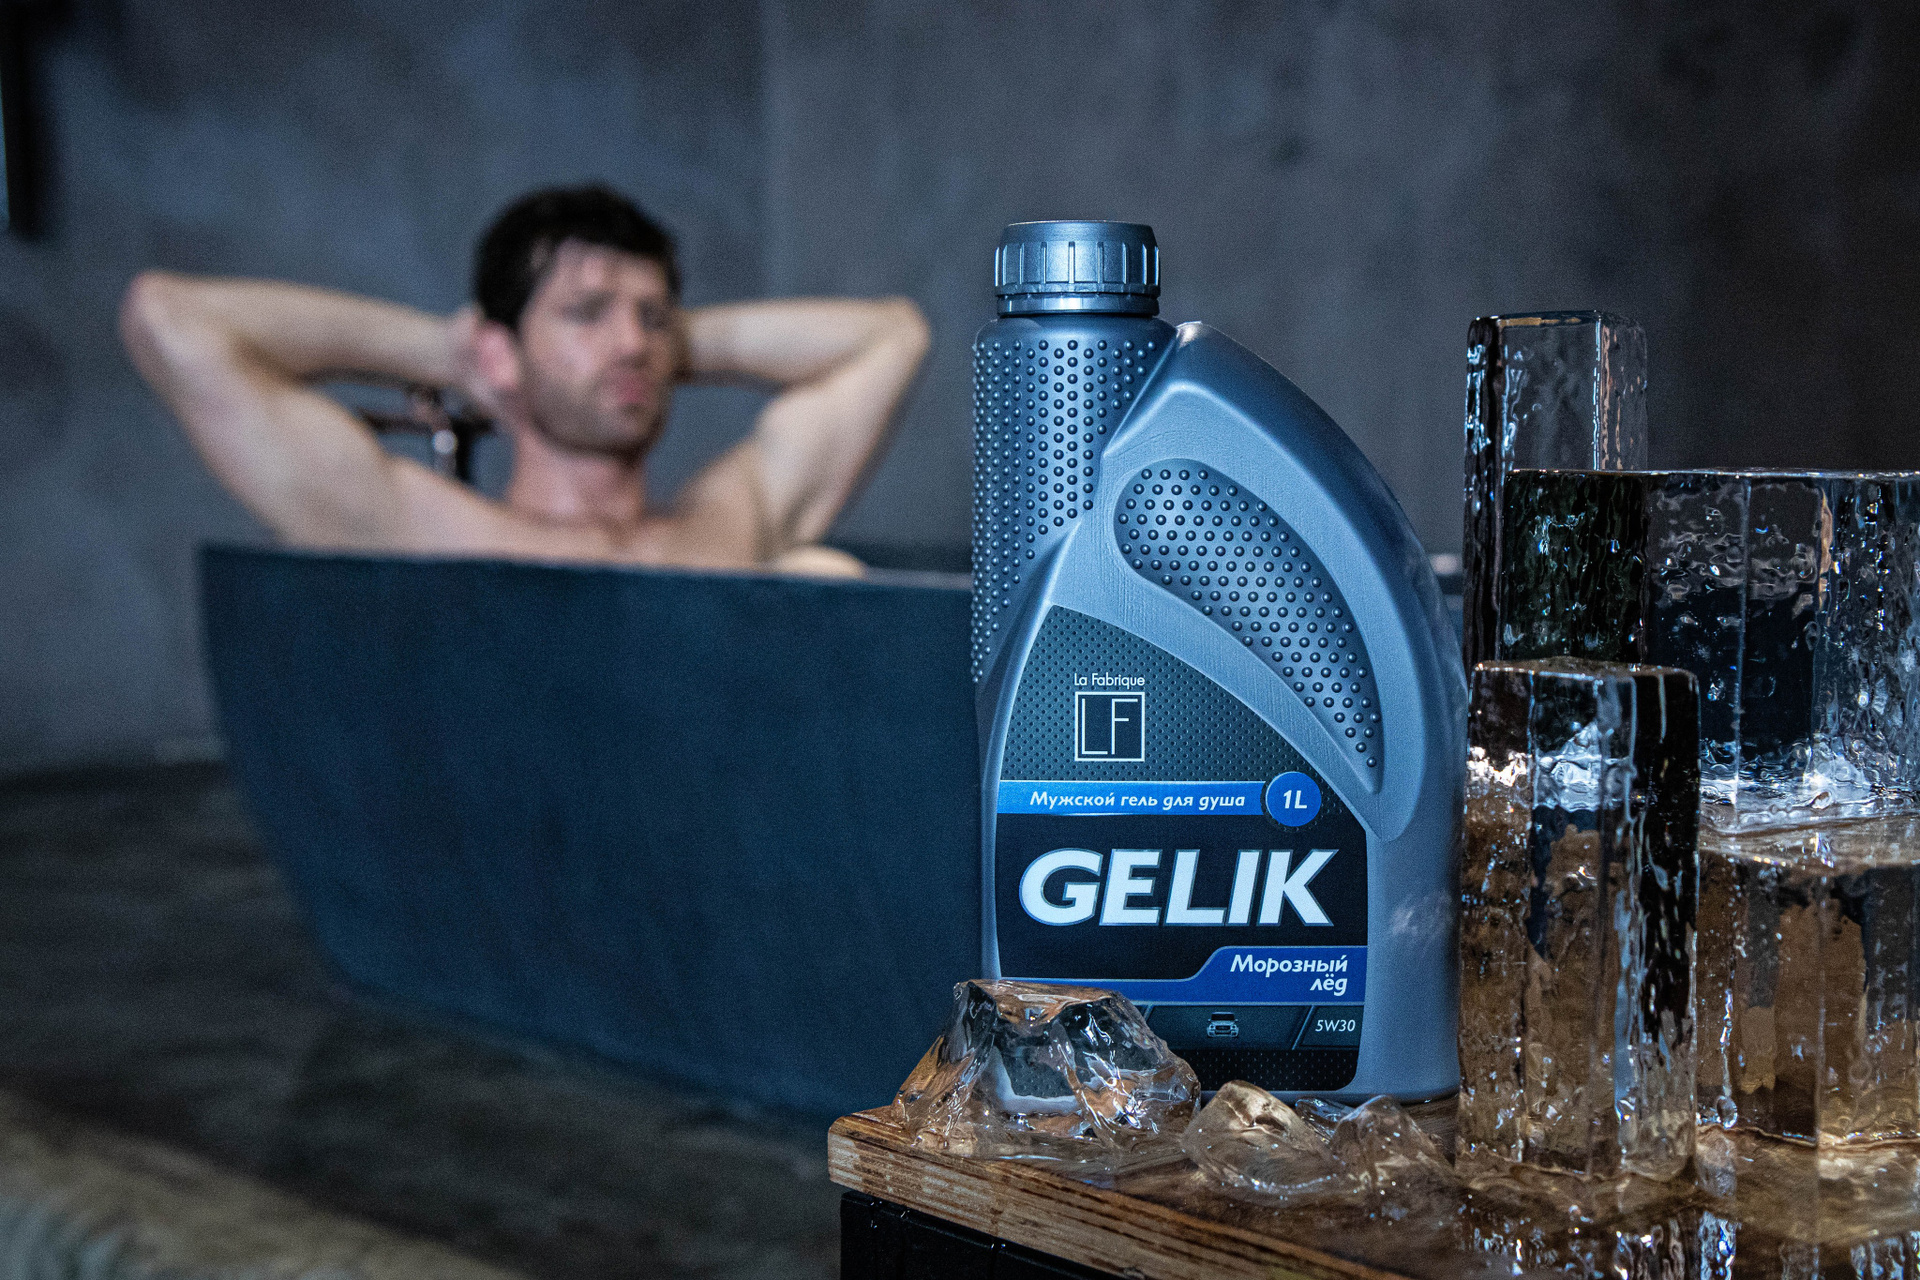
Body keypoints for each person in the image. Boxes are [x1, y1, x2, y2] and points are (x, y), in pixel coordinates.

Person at [119, 185, 930, 574]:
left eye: (652, 316)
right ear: (500, 352)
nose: (632, 343)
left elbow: (892, 336)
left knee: (822, 574)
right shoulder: (420, 530)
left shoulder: (728, 521)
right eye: (588, 312)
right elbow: (170, 320)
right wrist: (449, 352)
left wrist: (673, 342)